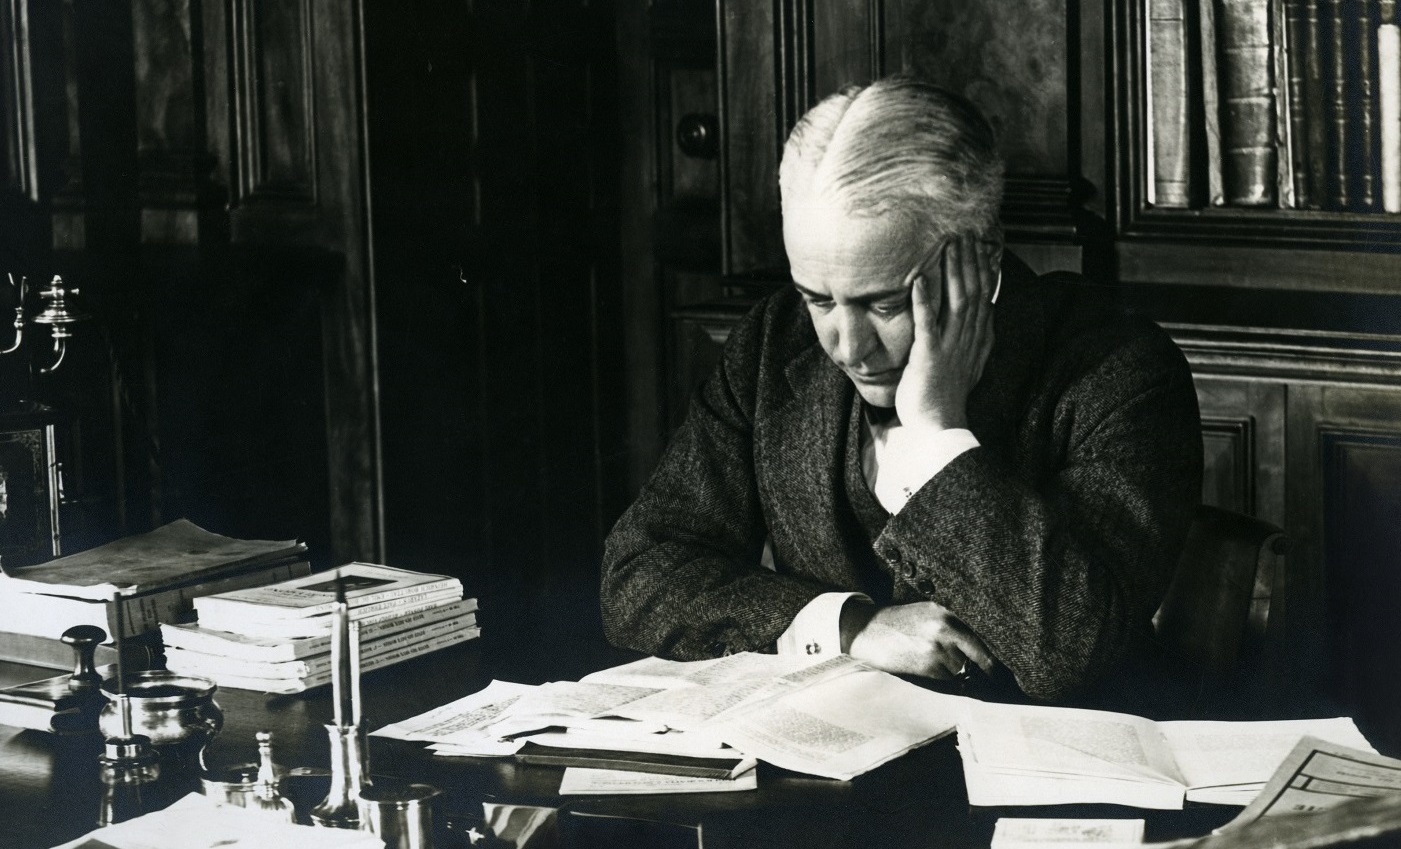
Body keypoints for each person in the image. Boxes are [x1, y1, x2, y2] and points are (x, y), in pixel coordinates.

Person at [600, 76, 1203, 705]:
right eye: (818, 299)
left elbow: (1072, 654)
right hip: (830, 772)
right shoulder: (773, 342)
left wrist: (937, 434)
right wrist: (850, 627)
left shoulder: (1122, 369)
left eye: (885, 304)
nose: (846, 346)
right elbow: (638, 576)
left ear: (984, 256)